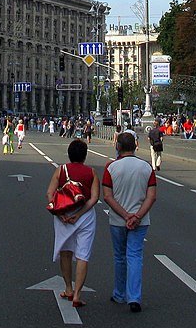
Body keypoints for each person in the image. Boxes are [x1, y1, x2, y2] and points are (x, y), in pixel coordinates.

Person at [102, 130, 157, 313]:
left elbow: (107, 196)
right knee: (135, 256)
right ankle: (134, 297)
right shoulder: (146, 167)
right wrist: (137, 216)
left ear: (118, 147)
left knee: (120, 257)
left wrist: (125, 216)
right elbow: (151, 197)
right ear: (135, 146)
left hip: (118, 220)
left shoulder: (111, 168)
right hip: (140, 221)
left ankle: (119, 294)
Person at [48, 138, 101, 308]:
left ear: (69, 155)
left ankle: (68, 288)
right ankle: (78, 294)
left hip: (63, 216)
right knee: (82, 255)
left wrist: (61, 212)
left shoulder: (60, 170)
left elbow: (50, 193)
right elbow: (94, 198)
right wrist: (79, 214)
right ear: (85, 156)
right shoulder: (91, 172)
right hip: (84, 216)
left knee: (65, 251)